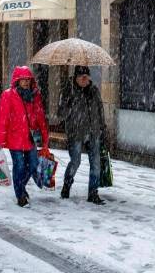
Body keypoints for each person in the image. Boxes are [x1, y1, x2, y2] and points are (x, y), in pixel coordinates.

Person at [0, 66, 50, 207]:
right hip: (14, 138)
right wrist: (1, 139)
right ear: (17, 81)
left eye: (28, 79)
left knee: (33, 165)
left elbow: (40, 116)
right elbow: (3, 118)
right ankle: (20, 196)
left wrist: (45, 136)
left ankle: (21, 187)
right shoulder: (8, 95)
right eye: (23, 80)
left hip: (29, 137)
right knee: (19, 166)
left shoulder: (34, 95)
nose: (26, 82)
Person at [59, 65, 107, 205]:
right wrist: (68, 103)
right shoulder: (69, 90)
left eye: (87, 76)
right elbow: (61, 113)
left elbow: (100, 110)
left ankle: (93, 193)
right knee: (75, 161)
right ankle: (67, 185)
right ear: (76, 78)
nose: (85, 79)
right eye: (82, 77)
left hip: (93, 132)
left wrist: (103, 128)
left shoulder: (94, 90)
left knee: (96, 164)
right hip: (76, 132)